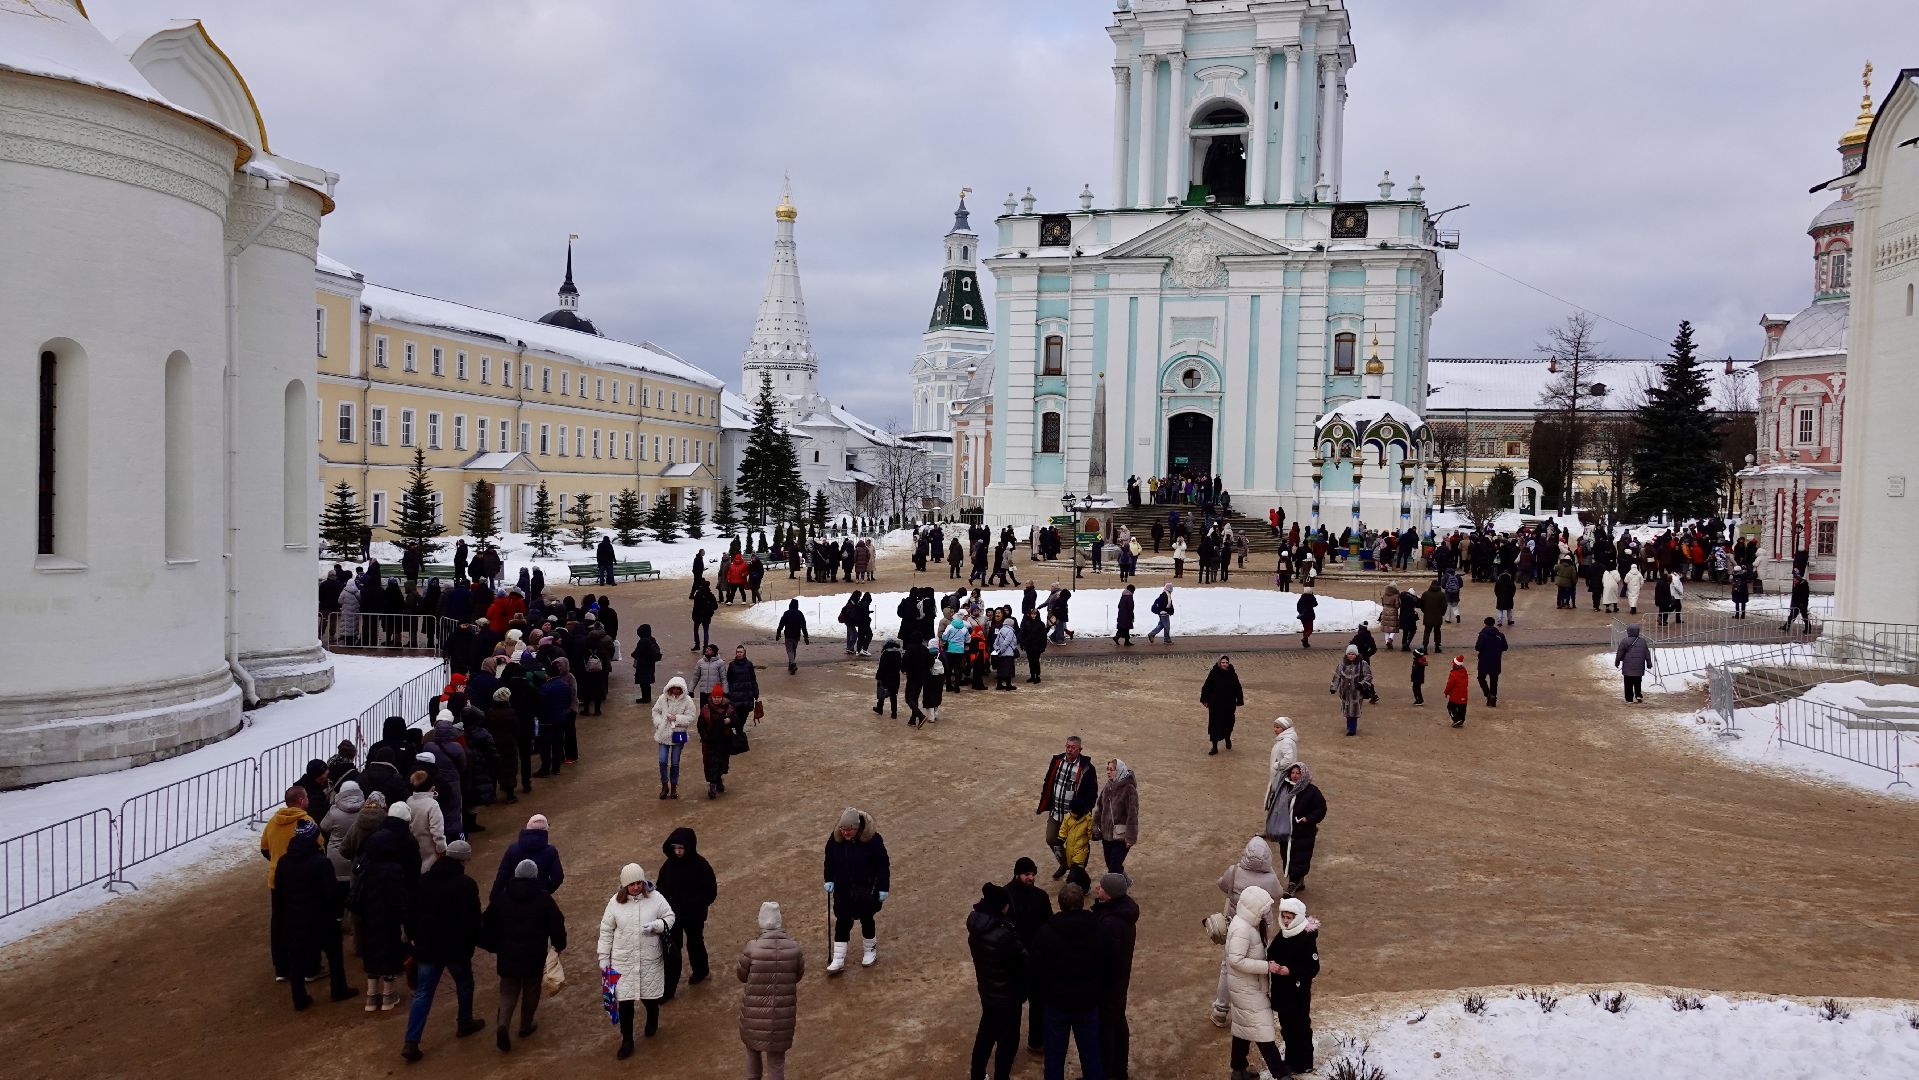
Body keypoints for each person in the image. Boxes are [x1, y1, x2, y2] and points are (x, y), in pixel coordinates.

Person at [401, 839, 485, 1060]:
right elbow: (472, 921)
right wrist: (471, 944)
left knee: (423, 993)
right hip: (455, 948)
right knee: (465, 985)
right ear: (464, 860)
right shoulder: (466, 884)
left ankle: (411, 1041)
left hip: (427, 946)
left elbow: (409, 913)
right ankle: (464, 1022)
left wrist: (413, 938)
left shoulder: (424, 880)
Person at [481, 858, 568, 1052]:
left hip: (507, 953)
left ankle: (503, 1023)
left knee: (508, 990)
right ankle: (525, 1025)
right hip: (534, 954)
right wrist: (559, 945)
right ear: (535, 876)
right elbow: (557, 923)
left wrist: (492, 945)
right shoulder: (543, 898)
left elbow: (486, 922)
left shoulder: (502, 897)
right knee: (531, 989)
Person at [599, 863, 676, 1058]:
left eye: (639, 882)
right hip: (622, 961)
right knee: (624, 1003)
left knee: (649, 998)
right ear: (625, 886)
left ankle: (652, 1017)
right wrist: (603, 957)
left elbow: (670, 916)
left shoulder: (656, 898)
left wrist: (657, 926)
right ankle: (627, 1040)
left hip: (649, 959)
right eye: (632, 884)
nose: (636, 887)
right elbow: (606, 931)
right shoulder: (614, 903)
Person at [276, 823, 357, 1010]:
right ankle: (338, 988)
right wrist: (337, 915)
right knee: (334, 955)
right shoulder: (321, 862)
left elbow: (280, 894)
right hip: (321, 920)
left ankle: (299, 998)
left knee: (296, 961)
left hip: (295, 920)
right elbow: (331, 894)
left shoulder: (284, 862)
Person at [1032, 882, 1107, 1080]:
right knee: (1091, 1056)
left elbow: (1036, 969)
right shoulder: (1098, 929)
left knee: (1054, 1058)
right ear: (1082, 903)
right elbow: (1109, 964)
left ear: (1060, 904)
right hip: (1088, 1002)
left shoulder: (1045, 933)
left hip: (1057, 1004)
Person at [1210, 837, 1284, 1028]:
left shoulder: (1234, 871)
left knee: (1228, 968)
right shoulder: (1270, 878)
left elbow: (1221, 885)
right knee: (1259, 967)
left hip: (1236, 926)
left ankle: (1220, 1010)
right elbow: (1278, 893)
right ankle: (1256, 1012)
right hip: (1261, 930)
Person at [354, 800, 418, 1012]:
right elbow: (398, 899)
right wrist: (406, 921)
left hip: (368, 918)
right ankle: (389, 997)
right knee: (390, 955)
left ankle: (372, 997)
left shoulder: (366, 867)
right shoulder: (393, 869)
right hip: (388, 919)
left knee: (372, 955)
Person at [737, 900, 805, 1080]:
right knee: (776, 1061)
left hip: (753, 1015)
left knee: (752, 1051)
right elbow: (798, 976)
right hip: (782, 1017)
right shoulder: (794, 949)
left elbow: (742, 976)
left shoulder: (752, 948)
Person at [967, 882, 1028, 1080]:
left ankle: (977, 1074)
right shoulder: (1004, 936)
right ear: (1002, 906)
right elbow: (1023, 963)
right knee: (1008, 1041)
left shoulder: (976, 925)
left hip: (988, 990)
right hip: (1008, 996)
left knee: (985, 1034)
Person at [823, 807, 890, 974]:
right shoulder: (835, 839)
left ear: (857, 827)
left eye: (849, 830)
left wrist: (883, 888)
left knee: (867, 919)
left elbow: (883, 865)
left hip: (867, 888)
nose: (845, 833)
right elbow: (829, 859)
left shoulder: (873, 840)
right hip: (843, 889)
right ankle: (838, 959)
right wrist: (829, 878)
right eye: (842, 829)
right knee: (843, 921)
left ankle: (870, 951)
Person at [262, 784, 316, 983]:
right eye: (307, 797)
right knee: (305, 922)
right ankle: (310, 967)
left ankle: (282, 968)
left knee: (279, 923)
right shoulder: (306, 821)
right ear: (301, 801)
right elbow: (318, 848)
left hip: (277, 879)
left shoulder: (273, 822)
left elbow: (264, 849)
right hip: (302, 880)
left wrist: (278, 862)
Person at [657, 826, 718, 999]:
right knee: (673, 952)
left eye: (681, 848)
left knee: (695, 943)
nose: (677, 852)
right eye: (675, 848)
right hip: (673, 917)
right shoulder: (668, 866)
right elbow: (660, 889)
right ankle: (668, 990)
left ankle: (701, 971)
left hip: (694, 916)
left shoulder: (701, 866)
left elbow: (710, 892)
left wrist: (692, 905)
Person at [1092, 873, 1139, 1080]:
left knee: (1106, 1031)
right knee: (1118, 1024)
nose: (1096, 889)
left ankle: (1107, 1073)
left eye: (1101, 888)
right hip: (1119, 982)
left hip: (1109, 986)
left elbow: (1104, 959)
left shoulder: (1111, 923)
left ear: (1109, 895)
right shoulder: (1123, 913)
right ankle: (1119, 1071)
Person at [1268, 896, 1321, 1075]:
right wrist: (1272, 962)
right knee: (1287, 1027)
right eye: (1283, 917)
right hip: (1282, 991)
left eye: (1289, 918)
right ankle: (1291, 1061)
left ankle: (1305, 1062)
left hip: (1298, 993)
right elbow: (1271, 952)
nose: (1285, 921)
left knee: (1301, 1027)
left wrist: (1290, 971)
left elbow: (1313, 967)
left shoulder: (1306, 938)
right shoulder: (1282, 934)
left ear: (1297, 918)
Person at [1035, 737, 1098, 881]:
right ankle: (1064, 864)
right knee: (1051, 838)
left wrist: (1084, 811)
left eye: (1073, 747)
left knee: (1076, 846)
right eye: (1068, 746)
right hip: (1056, 811)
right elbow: (1048, 781)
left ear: (1080, 749)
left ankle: (1078, 877)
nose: (1069, 750)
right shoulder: (1057, 761)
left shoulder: (1087, 768)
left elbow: (1092, 792)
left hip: (1074, 816)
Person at [1270, 763, 1326, 893]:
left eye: (1298, 773)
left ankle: (1293, 883)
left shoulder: (1311, 791)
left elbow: (1321, 808)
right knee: (1287, 857)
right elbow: (1275, 802)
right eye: (1293, 773)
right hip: (1285, 831)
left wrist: (1308, 819)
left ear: (1303, 774)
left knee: (1299, 857)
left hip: (1303, 832)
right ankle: (1297, 881)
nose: (1294, 776)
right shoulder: (1284, 788)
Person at [490, 813, 564, 901]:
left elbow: (502, 874)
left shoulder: (513, 849)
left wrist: (494, 897)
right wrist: (546, 889)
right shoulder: (550, 851)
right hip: (538, 896)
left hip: (514, 895)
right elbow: (558, 877)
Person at [652, 676, 696, 800]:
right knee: (662, 761)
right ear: (669, 688)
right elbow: (655, 711)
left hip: (679, 733)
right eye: (674, 688)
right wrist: (659, 723)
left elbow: (691, 716)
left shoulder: (687, 701)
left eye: (678, 689)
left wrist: (677, 718)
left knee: (675, 762)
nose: (676, 691)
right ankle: (664, 785)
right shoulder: (663, 698)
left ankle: (674, 787)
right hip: (663, 733)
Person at [1093, 758, 1138, 875]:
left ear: (1119, 771)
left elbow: (1132, 814)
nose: (1108, 772)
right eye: (1107, 769)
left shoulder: (1129, 789)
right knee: (1110, 864)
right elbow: (1099, 808)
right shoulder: (1108, 786)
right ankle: (1124, 881)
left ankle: (1117, 891)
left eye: (1111, 769)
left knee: (1114, 865)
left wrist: (1131, 837)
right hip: (1106, 834)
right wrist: (1096, 826)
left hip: (1121, 836)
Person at [1201, 654, 1245, 755]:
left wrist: (1239, 700)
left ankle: (1227, 738)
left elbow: (1237, 687)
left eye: (1226, 663)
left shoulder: (1232, 673)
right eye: (1223, 663)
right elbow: (1206, 686)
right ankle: (1214, 747)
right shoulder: (1214, 672)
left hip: (1229, 704)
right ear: (1219, 663)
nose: (1225, 664)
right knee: (1214, 725)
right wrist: (1205, 700)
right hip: (1215, 704)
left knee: (1229, 723)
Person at [699, 683, 735, 799]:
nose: (716, 699)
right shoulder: (705, 709)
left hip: (724, 742)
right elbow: (701, 725)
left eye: (718, 697)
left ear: (722, 697)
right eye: (714, 697)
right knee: (711, 763)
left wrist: (730, 721)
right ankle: (713, 785)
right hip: (710, 742)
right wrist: (705, 737)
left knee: (722, 763)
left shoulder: (729, 708)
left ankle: (718, 780)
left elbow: (736, 721)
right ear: (712, 697)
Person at [1329, 645, 1373, 737]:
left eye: (1353, 654)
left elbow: (1368, 676)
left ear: (1356, 654)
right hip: (1344, 692)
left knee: (1354, 710)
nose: (1351, 656)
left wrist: (1362, 684)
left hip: (1356, 693)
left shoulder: (1362, 664)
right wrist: (1333, 687)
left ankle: (1352, 729)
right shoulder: (1342, 664)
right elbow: (1337, 676)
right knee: (1347, 710)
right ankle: (1349, 726)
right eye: (1349, 654)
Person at [1613, 623, 1653, 704]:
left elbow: (1620, 653)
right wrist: (1649, 663)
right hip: (1639, 667)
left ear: (1628, 631)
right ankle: (1638, 694)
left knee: (1628, 683)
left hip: (1628, 667)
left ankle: (1629, 698)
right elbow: (1647, 653)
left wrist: (1617, 662)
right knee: (1638, 681)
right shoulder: (1642, 641)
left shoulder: (1624, 641)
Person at [1474, 616, 1507, 707]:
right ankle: (1493, 700)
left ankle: (1488, 695)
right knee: (1494, 680)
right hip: (1496, 661)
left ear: (1485, 624)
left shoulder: (1482, 635)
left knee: (1481, 678)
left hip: (1484, 660)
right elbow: (1505, 647)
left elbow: (1477, 647)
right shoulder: (1500, 635)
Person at [632, 623, 664, 705]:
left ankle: (645, 698)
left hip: (642, 665)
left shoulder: (642, 641)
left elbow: (636, 653)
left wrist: (633, 655)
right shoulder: (652, 640)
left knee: (643, 683)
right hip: (650, 664)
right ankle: (647, 697)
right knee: (647, 683)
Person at [776, 600, 809, 674]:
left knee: (789, 650)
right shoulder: (800, 614)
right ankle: (791, 665)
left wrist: (778, 633)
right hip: (796, 636)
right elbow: (804, 626)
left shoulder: (787, 613)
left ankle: (792, 664)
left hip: (788, 635)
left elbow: (781, 623)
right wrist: (806, 636)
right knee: (793, 650)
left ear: (790, 605)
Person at [874, 637, 903, 718]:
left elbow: (881, 667)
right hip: (895, 677)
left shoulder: (885, 653)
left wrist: (878, 677)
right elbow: (900, 665)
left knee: (882, 693)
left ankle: (879, 708)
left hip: (885, 677)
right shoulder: (898, 653)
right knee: (893, 695)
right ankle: (894, 713)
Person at [993, 614, 1020, 691]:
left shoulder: (1000, 630)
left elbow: (995, 643)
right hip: (1008, 654)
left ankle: (999, 685)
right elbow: (1006, 643)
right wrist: (1002, 650)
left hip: (1001, 654)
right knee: (1008, 670)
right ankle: (1008, 685)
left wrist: (998, 650)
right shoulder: (1010, 631)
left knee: (1001, 669)